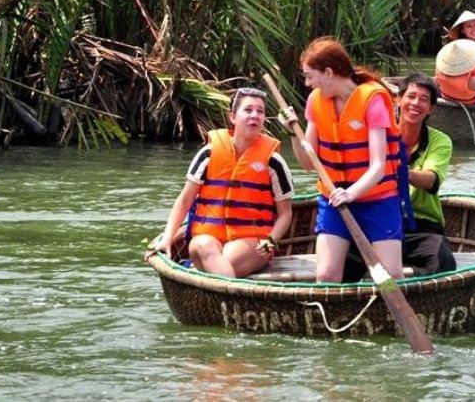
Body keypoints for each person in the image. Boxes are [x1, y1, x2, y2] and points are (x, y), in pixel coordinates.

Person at [280, 36, 404, 283]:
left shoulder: (373, 100)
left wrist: (351, 193)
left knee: (391, 276)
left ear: (328, 72)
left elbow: (379, 166)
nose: (307, 83)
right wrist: (292, 133)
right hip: (333, 199)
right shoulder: (316, 102)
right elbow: (308, 162)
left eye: (309, 76)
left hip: (377, 199)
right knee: (326, 275)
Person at [151, 87, 294, 278]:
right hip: (208, 237)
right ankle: (233, 292)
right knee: (203, 245)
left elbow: (285, 213)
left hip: (253, 241)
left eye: (260, 112)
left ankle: (224, 292)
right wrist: (168, 238)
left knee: (228, 257)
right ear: (233, 117)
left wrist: (271, 240)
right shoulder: (208, 154)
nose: (255, 115)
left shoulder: (274, 161)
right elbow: (184, 200)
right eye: (248, 110)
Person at [341, 73, 456, 281]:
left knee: (443, 261)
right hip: (377, 220)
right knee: (342, 262)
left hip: (420, 226)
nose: (415, 103)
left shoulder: (440, 141)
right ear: (398, 100)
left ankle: (414, 303)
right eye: (411, 96)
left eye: (424, 99)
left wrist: (399, 170)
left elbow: (431, 180)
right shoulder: (377, 133)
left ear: (431, 108)